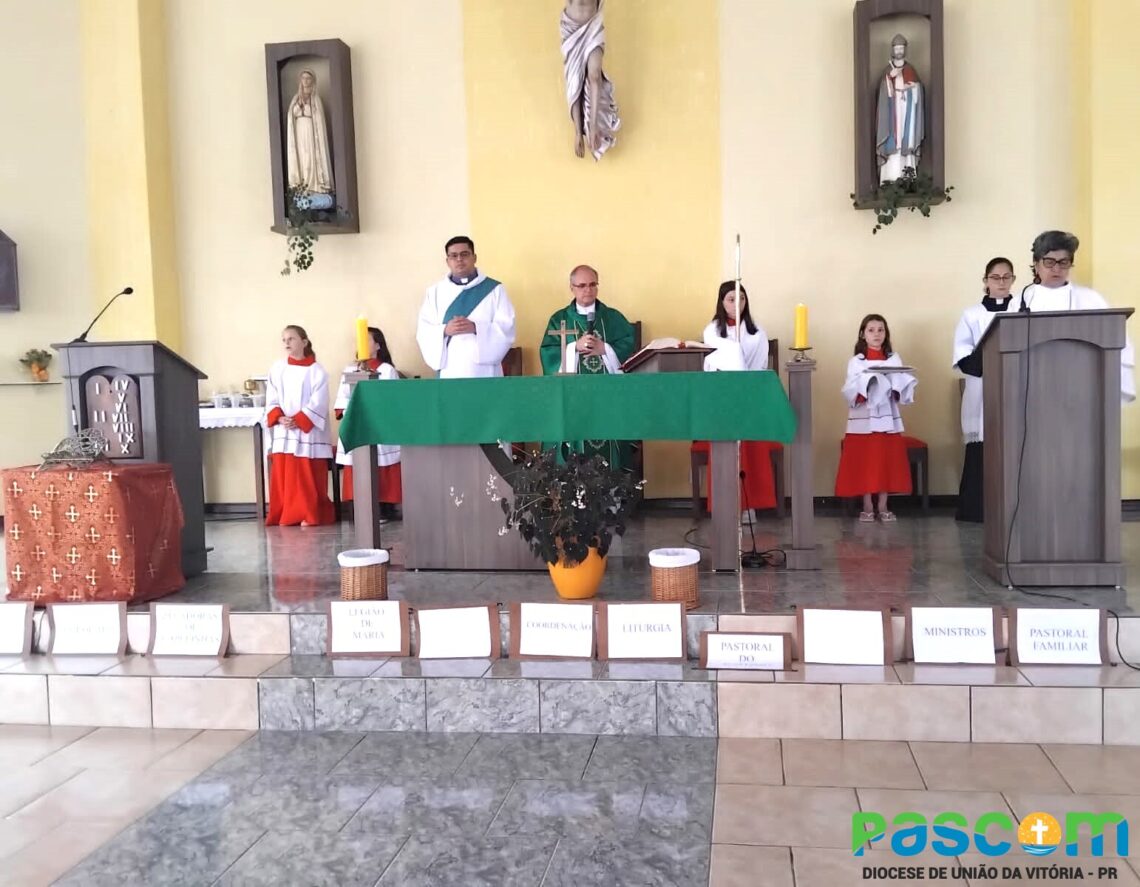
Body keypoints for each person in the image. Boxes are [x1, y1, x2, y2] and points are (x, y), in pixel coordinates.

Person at [1016, 230, 1135, 401]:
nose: (1056, 269)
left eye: (1063, 262)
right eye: (1049, 262)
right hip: (1033, 392)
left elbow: (1117, 340)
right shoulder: (1020, 302)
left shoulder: (1091, 300)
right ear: (1036, 263)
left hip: (1083, 390)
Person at [539, 264, 637, 469]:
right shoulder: (559, 320)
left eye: (593, 284)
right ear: (572, 288)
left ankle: (614, 495)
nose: (588, 290)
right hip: (573, 397)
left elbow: (630, 347)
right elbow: (549, 354)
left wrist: (606, 349)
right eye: (582, 285)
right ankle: (572, 492)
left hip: (608, 396)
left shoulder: (613, 318)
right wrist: (575, 347)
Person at [694, 281, 777, 517]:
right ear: (722, 302)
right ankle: (726, 503)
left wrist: (748, 389)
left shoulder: (757, 332)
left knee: (750, 450)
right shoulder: (712, 330)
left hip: (750, 395)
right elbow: (712, 361)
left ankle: (750, 504)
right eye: (731, 299)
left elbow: (760, 365)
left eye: (741, 299)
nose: (737, 303)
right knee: (725, 450)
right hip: (721, 396)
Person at [951, 257, 1016, 522]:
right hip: (982, 388)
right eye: (995, 277)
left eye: (1006, 277)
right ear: (985, 282)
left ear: (1013, 280)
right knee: (981, 448)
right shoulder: (971, 315)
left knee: (1015, 445)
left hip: (1016, 387)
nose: (1001, 282)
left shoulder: (1024, 313)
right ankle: (976, 509)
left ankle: (1015, 508)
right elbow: (963, 356)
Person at [835, 314, 917, 522]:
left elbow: (899, 382)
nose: (876, 334)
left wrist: (897, 384)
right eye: (871, 330)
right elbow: (851, 388)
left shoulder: (893, 359)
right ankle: (867, 505)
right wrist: (868, 383)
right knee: (866, 461)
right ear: (863, 334)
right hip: (864, 417)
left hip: (887, 417)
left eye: (881, 330)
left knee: (885, 461)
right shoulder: (856, 361)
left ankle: (883, 504)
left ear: (886, 333)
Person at [415, 236, 517, 378]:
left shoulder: (495, 289)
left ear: (474, 257)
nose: (459, 259)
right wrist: (445, 330)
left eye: (464, 254)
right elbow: (424, 331)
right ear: (447, 261)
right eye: (453, 256)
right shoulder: (435, 292)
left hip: (484, 370)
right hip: (450, 368)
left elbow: (507, 327)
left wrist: (476, 328)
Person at [265, 325, 335, 527]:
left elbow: (319, 402)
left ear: (304, 342)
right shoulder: (277, 369)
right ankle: (285, 513)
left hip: (307, 432)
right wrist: (279, 418)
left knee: (306, 475)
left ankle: (309, 513)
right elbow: (272, 397)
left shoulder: (317, 371)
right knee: (285, 474)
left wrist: (300, 419)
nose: (287, 343)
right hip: (284, 429)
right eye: (284, 339)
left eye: (292, 339)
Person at [334, 327, 401, 521]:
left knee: (381, 458)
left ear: (378, 345)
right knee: (356, 459)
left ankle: (383, 507)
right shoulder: (350, 370)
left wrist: (374, 415)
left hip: (380, 426)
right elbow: (343, 398)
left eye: (367, 339)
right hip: (357, 424)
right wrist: (353, 413)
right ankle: (359, 507)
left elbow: (392, 401)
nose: (360, 343)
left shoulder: (387, 370)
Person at [561, 0, 621, 160]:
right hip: (572, 28)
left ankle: (594, 126)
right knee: (575, 83)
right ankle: (578, 133)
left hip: (593, 26)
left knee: (594, 76)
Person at [876, 34, 925, 184]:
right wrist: (890, 77)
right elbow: (884, 94)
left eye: (901, 48)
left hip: (907, 111)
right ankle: (889, 177)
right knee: (893, 138)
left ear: (905, 50)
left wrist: (912, 88)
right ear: (893, 50)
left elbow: (918, 90)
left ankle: (908, 177)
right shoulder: (887, 70)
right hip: (893, 112)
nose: (899, 51)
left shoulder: (910, 69)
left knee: (906, 138)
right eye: (896, 48)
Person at [286, 70, 334, 203]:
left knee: (311, 157)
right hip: (299, 132)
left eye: (308, 78)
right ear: (300, 81)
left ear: (312, 81)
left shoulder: (315, 99)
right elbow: (291, 116)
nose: (306, 81)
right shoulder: (296, 99)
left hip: (311, 134)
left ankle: (315, 185)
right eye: (303, 78)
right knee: (302, 158)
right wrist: (298, 109)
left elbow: (319, 119)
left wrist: (308, 110)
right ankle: (303, 185)